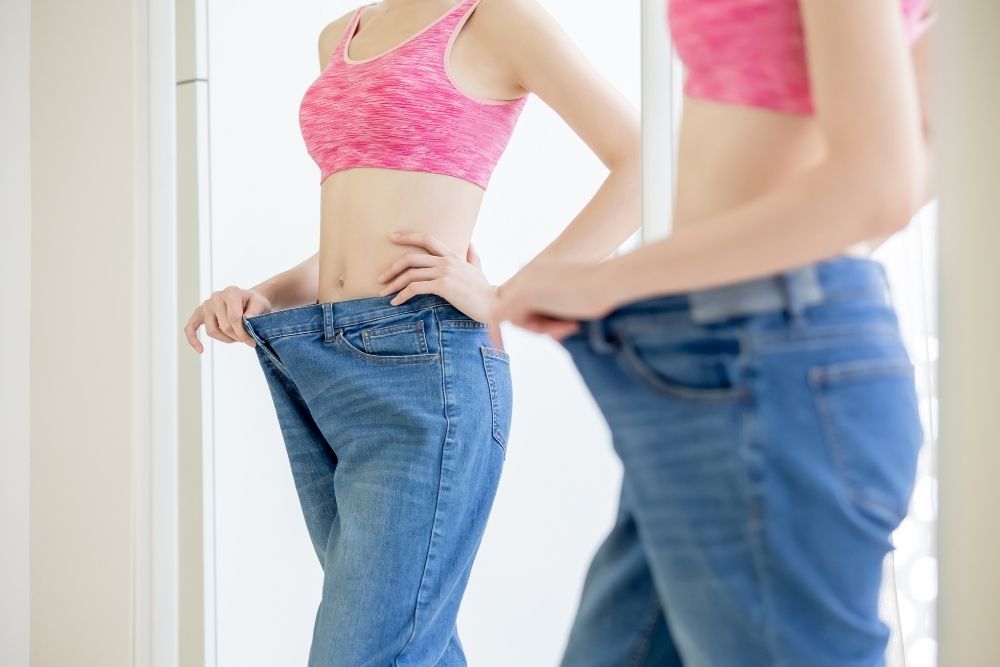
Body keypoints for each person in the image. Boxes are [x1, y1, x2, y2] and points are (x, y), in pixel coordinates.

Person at [183, 0, 640, 664]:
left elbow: (643, 160)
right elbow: (360, 231)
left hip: (427, 372)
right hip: (320, 365)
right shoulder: (339, 36)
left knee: (365, 649)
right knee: (410, 642)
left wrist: (509, 294)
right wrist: (268, 294)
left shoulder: (497, 20)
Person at [485, 0, 935, 665]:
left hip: (769, 361)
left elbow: (880, 187)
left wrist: (608, 279)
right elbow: (921, 138)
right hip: (733, 355)